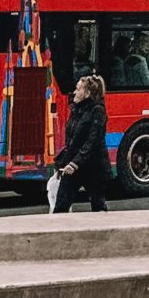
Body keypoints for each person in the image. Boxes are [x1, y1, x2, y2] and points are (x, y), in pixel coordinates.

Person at [52, 73, 112, 213]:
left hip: (94, 167)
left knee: (98, 206)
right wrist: (63, 163)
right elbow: (72, 142)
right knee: (60, 206)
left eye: (78, 89)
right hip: (75, 164)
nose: (74, 92)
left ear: (87, 93)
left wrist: (74, 163)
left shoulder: (98, 110)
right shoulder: (76, 109)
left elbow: (92, 141)